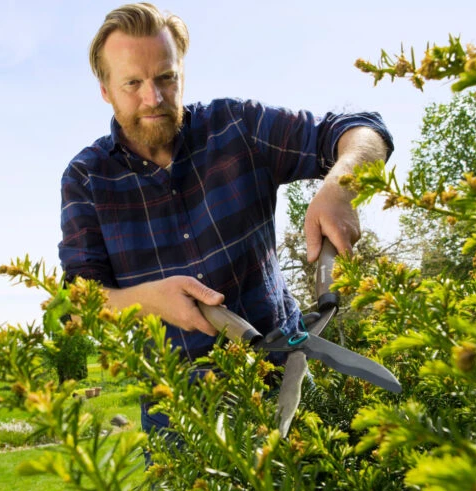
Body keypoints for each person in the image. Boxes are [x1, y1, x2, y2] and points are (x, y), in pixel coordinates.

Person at [58, 3, 393, 432]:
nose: (153, 98)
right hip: (181, 413)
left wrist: (342, 185)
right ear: (105, 89)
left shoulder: (236, 125)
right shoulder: (86, 177)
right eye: (132, 83)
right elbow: (78, 300)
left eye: (166, 77)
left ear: (182, 72)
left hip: (286, 373)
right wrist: (146, 300)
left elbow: (362, 129)